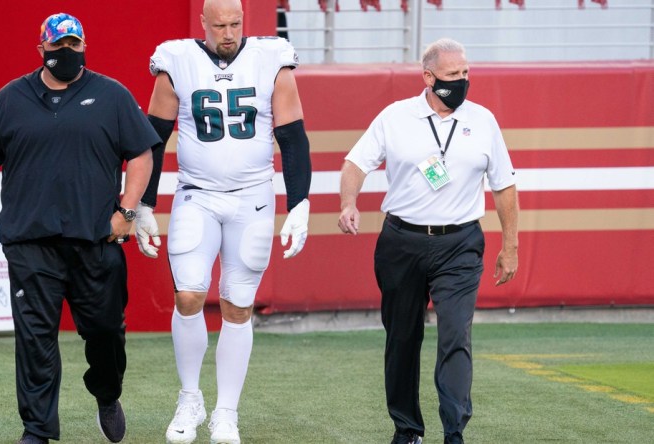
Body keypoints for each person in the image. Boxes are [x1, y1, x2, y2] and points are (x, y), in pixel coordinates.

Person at [0, 12, 159, 444]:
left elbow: (141, 155)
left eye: (74, 45)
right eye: (58, 46)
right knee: (35, 339)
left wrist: (127, 212)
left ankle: (106, 392)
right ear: (41, 49)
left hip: (96, 241)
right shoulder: (10, 98)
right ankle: (37, 430)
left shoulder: (112, 95)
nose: (66, 52)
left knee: (105, 332)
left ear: (84, 47)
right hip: (31, 242)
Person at [134, 0, 312, 442]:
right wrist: (143, 204)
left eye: (235, 23)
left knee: (237, 305)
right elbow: (153, 139)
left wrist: (300, 202)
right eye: (219, 25)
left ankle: (226, 412)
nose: (228, 33)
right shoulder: (176, 60)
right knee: (189, 297)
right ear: (203, 23)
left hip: (253, 198)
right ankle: (190, 398)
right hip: (197, 196)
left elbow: (291, 136)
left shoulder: (273, 59)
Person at [337, 38, 519, 444]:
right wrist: (349, 202)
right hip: (402, 241)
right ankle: (407, 429)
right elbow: (355, 162)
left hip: (460, 244)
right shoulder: (396, 116)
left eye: (466, 72)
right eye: (453, 75)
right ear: (428, 77)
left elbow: (504, 186)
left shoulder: (484, 121)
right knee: (402, 338)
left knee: (455, 335)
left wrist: (511, 247)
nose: (462, 81)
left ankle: (454, 432)